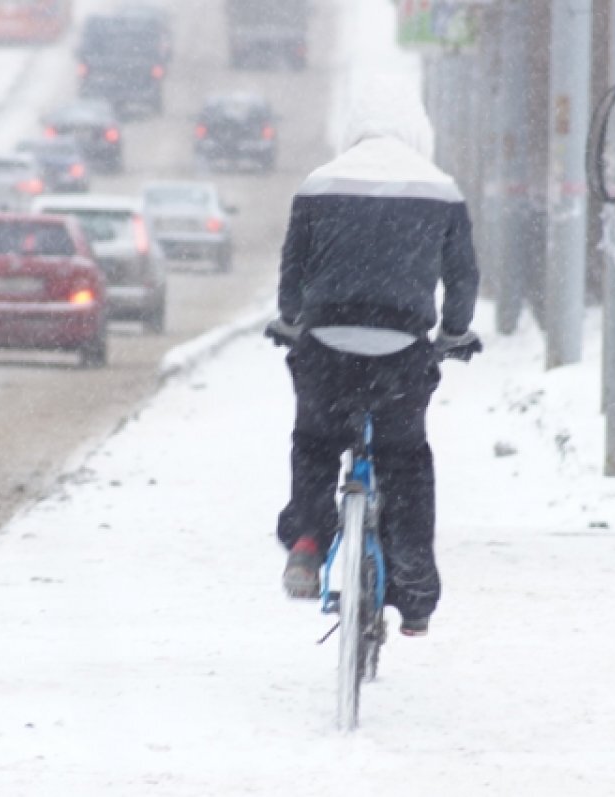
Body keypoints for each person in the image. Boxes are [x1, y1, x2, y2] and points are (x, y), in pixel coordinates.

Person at [265, 77, 481, 638]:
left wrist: (292, 321)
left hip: (327, 349)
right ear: (417, 131)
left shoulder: (318, 184)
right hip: (402, 356)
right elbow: (461, 280)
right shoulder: (440, 189)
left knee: (315, 442)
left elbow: (293, 276)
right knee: (405, 460)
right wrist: (454, 333)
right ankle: (411, 583)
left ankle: (309, 542)